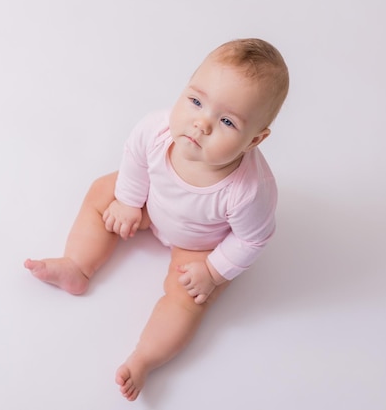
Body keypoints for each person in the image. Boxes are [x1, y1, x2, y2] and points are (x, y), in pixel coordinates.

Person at [24, 37, 289, 401]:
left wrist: (212, 271)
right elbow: (134, 156)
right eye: (196, 101)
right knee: (103, 192)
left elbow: (252, 239)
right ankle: (77, 265)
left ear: (255, 139)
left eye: (227, 121)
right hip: (151, 205)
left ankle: (144, 358)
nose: (201, 124)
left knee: (187, 298)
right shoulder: (157, 128)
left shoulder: (249, 190)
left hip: (199, 244)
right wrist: (131, 202)